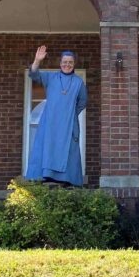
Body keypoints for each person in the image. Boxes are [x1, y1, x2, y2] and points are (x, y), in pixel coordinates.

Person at [25, 46, 87, 187]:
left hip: (69, 123)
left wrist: (70, 113)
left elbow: (83, 102)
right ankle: (45, 176)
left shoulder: (78, 82)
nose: (67, 65)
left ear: (74, 64)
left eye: (70, 62)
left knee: (69, 149)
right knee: (47, 146)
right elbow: (34, 74)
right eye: (64, 62)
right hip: (50, 122)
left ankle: (67, 179)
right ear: (60, 64)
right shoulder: (51, 77)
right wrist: (37, 60)